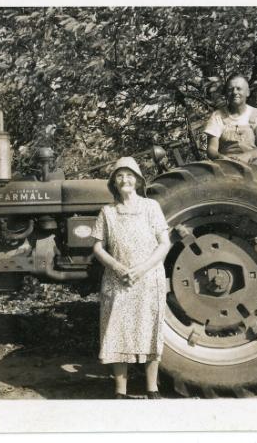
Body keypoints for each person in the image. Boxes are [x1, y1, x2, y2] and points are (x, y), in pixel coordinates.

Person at [91, 157, 170, 399]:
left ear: (137, 180)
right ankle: (120, 391)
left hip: (148, 279)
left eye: (130, 175)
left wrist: (142, 269)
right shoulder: (107, 212)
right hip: (118, 281)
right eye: (120, 176)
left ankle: (152, 388)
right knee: (118, 330)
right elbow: (97, 247)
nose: (125, 180)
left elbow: (165, 243)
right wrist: (117, 267)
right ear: (114, 182)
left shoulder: (151, 207)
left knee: (150, 328)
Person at [204, 74, 257, 172]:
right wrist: (223, 158)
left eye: (239, 89)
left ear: (247, 92)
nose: (234, 92)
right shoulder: (217, 116)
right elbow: (211, 149)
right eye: (230, 89)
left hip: (253, 162)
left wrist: (246, 156)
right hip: (226, 163)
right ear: (226, 93)